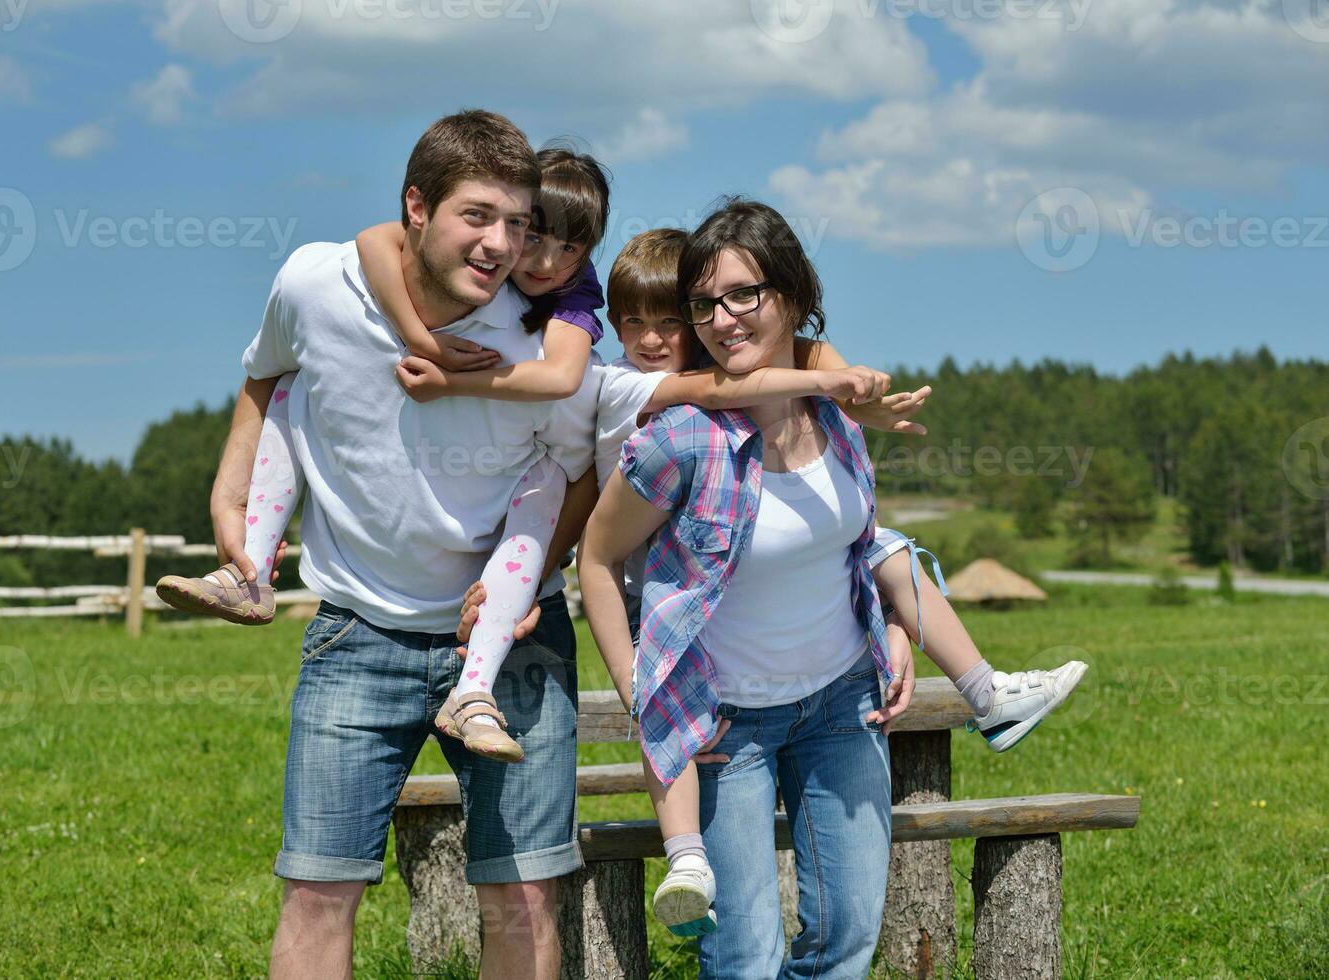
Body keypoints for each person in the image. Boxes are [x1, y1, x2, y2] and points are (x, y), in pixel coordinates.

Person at [578, 198, 1085, 977]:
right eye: (704, 303)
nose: (722, 318)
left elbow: (858, 544)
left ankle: (992, 693)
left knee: (846, 937)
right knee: (745, 955)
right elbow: (597, 558)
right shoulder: (679, 437)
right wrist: (644, 688)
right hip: (726, 730)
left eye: (743, 294)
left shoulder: (836, 413)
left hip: (842, 708)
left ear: (789, 295)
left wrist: (889, 628)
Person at [208, 109, 594, 979]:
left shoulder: (540, 336)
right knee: (316, 891)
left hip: (511, 655)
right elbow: (265, 370)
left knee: (526, 896)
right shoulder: (313, 283)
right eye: (477, 216)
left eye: (518, 223)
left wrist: (529, 587)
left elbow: (577, 474)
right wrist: (231, 483)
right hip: (355, 635)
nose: (500, 245)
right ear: (415, 208)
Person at [157, 143, 614, 765]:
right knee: (294, 388)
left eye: (566, 249)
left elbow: (563, 384)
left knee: (548, 480)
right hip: (356, 618)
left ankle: (475, 685)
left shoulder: (567, 310)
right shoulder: (331, 281)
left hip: (498, 590)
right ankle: (250, 573)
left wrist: (452, 379)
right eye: (528, 232)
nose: (536, 259)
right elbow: (375, 240)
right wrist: (421, 336)